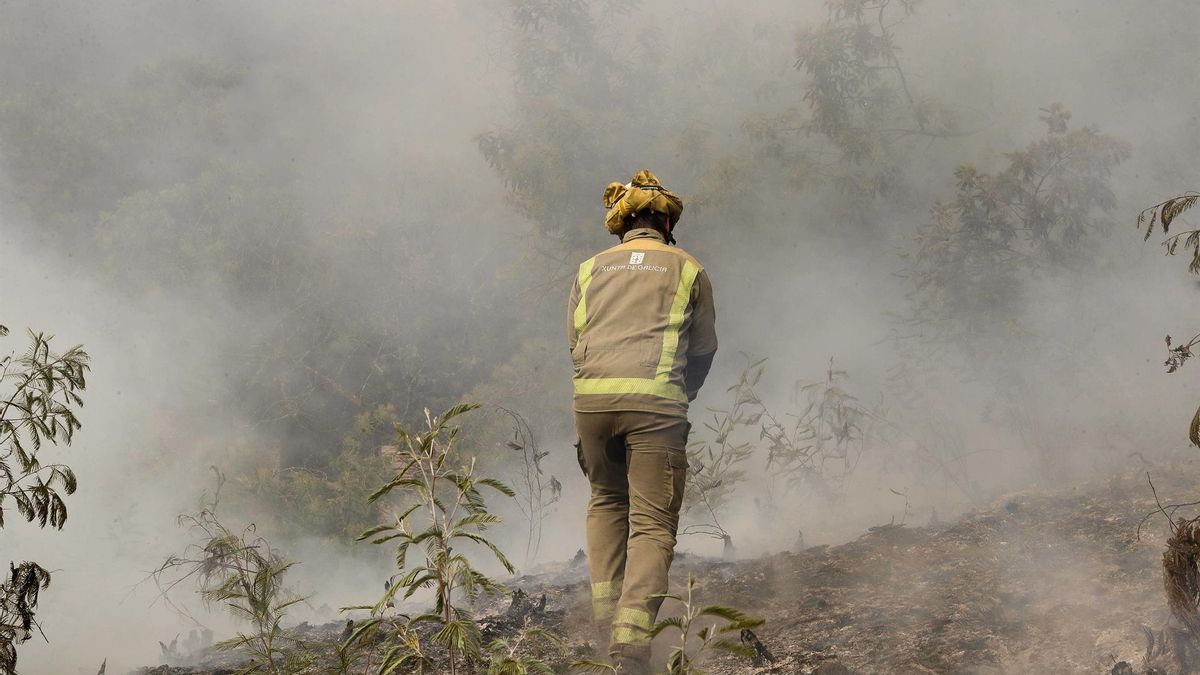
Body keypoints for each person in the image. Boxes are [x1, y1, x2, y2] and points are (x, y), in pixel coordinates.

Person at [567, 169, 717, 673]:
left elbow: (575, 343)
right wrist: (682, 394)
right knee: (652, 525)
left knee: (606, 500)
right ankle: (630, 645)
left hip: (591, 405)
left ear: (624, 224)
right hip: (654, 407)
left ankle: (607, 617)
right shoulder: (687, 267)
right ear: (665, 220)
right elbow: (702, 349)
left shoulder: (590, 269)